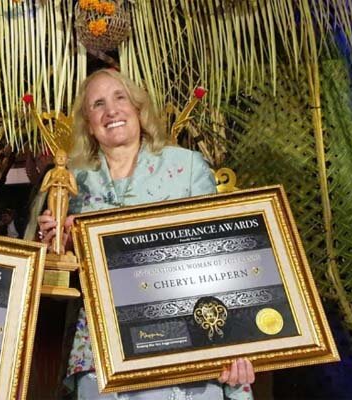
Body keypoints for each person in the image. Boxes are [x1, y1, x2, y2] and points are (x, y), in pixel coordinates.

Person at [38, 69, 255, 400]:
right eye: (98, 104)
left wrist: (236, 343)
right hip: (102, 353)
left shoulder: (187, 166)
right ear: (88, 123)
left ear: (138, 108)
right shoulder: (72, 182)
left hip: (185, 344)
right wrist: (56, 246)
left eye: (119, 97)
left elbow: (220, 258)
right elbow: (57, 282)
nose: (111, 111)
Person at [39, 149, 78, 255]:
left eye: (63, 157)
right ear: (54, 159)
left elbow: (75, 192)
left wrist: (66, 184)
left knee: (61, 220)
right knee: (52, 220)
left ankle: (60, 246)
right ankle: (53, 245)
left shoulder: (68, 174)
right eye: (58, 157)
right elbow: (42, 189)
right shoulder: (51, 172)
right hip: (53, 196)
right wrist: (52, 181)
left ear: (67, 160)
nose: (61, 159)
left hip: (63, 196)